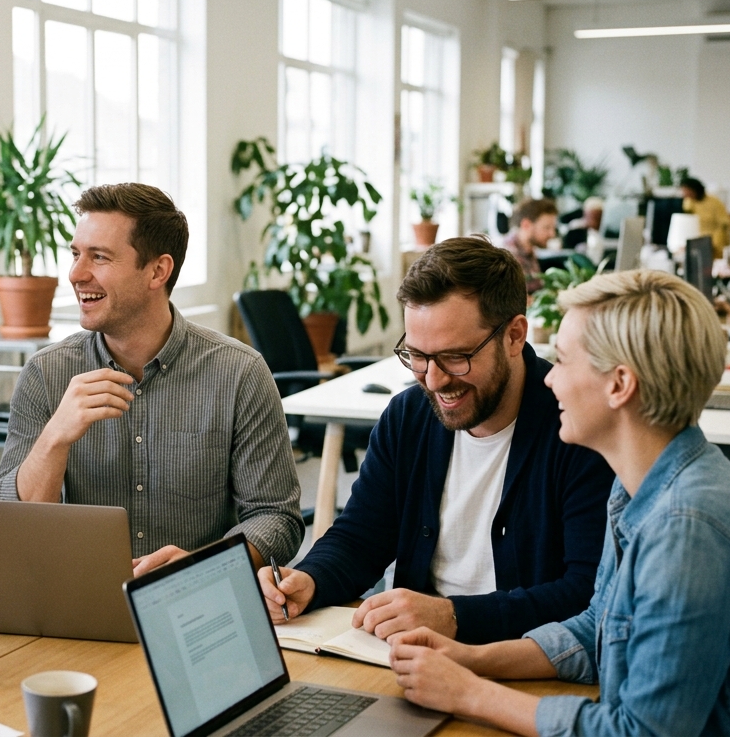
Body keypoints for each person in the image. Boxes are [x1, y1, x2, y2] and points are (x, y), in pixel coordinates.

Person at [389, 270, 730, 736]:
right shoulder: (639, 485)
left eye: (563, 361)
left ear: (619, 385)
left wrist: (471, 694)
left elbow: (639, 732)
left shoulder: (688, 527)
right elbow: (597, 629)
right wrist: (471, 660)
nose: (551, 380)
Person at [258, 237, 612, 644]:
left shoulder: (575, 425)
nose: (434, 379)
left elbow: (588, 591)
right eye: (418, 356)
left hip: (527, 663)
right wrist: (309, 578)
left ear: (514, 336)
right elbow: (361, 537)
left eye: (455, 357)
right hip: (416, 653)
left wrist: (456, 616)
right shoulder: (408, 417)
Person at [0, 182, 303, 575]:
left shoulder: (239, 373)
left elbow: (277, 518)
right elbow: (7, 527)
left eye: (99, 257)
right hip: (78, 598)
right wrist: (55, 437)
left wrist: (203, 564)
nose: (76, 274)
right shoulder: (47, 372)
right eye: (75, 254)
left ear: (158, 271)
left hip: (195, 597)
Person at [502, 198, 558, 293]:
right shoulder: (507, 257)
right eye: (546, 227)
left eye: (553, 228)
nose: (552, 234)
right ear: (526, 225)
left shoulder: (528, 248)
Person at [681, 176, 730, 259]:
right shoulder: (688, 202)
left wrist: (714, 242)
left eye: (686, 190)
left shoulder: (714, 202)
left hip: (714, 240)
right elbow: (687, 222)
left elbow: (724, 223)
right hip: (695, 239)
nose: (684, 193)